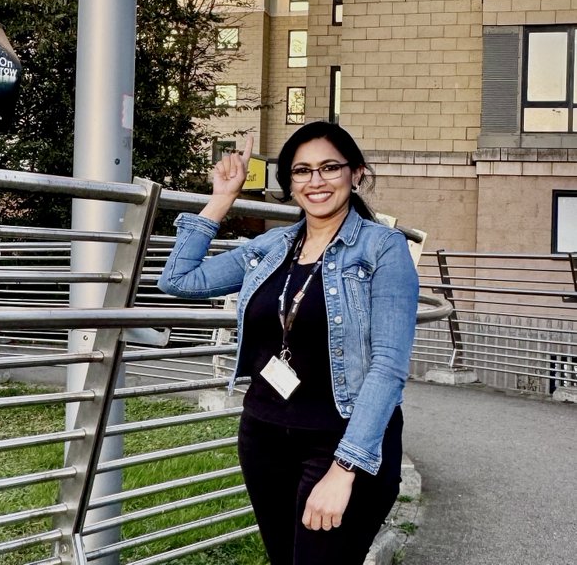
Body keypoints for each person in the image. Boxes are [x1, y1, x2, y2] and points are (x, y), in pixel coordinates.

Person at [158, 121, 419, 565]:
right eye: (302, 171)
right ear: (290, 183)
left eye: (329, 167)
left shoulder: (382, 248)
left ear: (356, 174)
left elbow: (389, 366)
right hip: (264, 437)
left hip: (340, 442)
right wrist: (223, 197)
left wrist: (345, 469)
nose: (315, 181)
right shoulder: (273, 245)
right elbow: (179, 279)